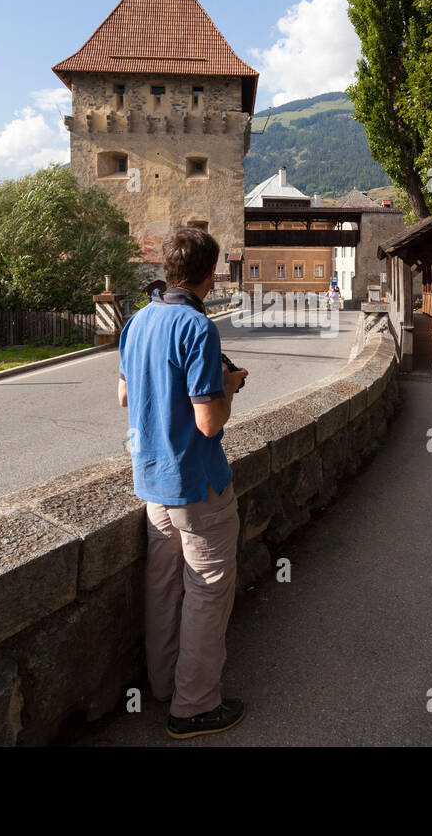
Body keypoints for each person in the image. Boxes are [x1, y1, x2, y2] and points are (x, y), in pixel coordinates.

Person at [117, 227, 249, 739]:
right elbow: (209, 422)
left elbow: (125, 398)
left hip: (150, 480)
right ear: (209, 276)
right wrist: (231, 386)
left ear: (166, 266)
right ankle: (193, 707)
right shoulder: (198, 327)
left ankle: (163, 684)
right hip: (196, 483)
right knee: (206, 590)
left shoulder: (137, 320)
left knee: (163, 582)